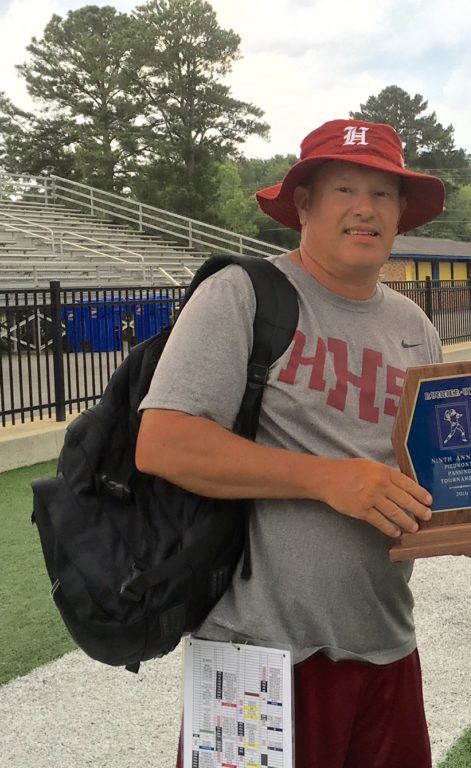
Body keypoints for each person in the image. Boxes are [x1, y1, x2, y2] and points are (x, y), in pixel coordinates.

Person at [134, 119, 449, 768]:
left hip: (386, 642)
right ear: (302, 204)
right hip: (251, 653)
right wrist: (328, 478)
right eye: (342, 188)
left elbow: (427, 470)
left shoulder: (414, 326)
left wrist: (457, 519)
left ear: (400, 214)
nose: (365, 208)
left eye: (383, 194)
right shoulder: (242, 294)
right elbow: (164, 444)